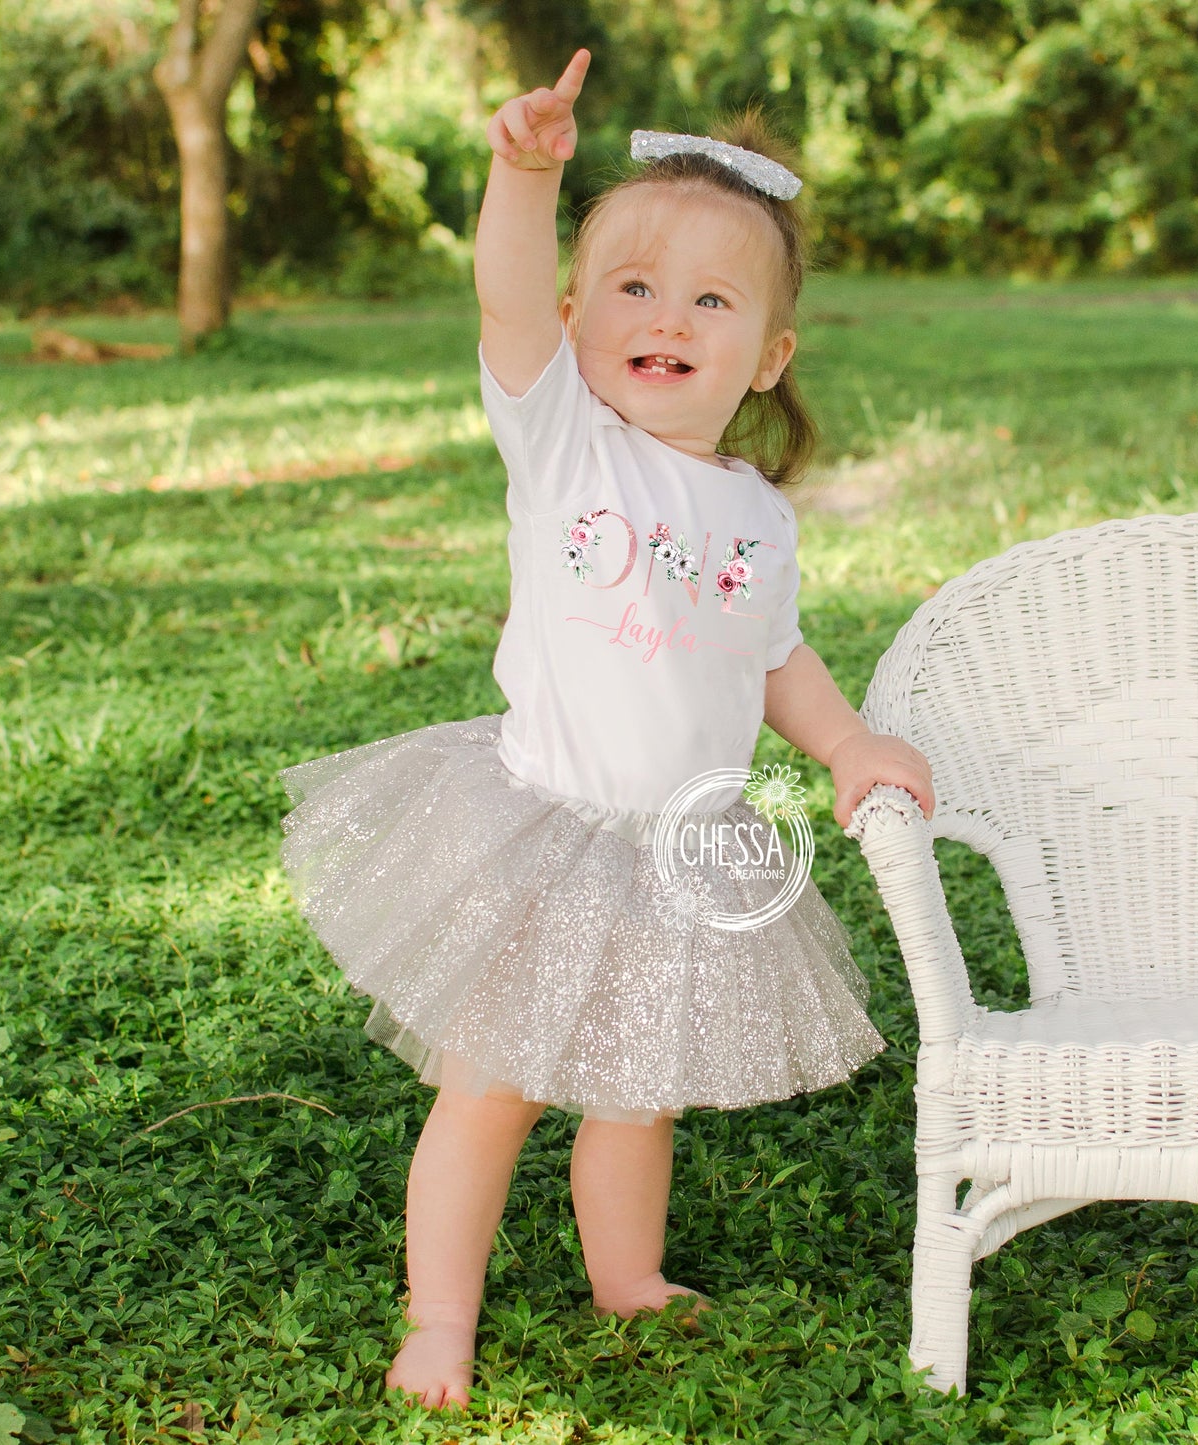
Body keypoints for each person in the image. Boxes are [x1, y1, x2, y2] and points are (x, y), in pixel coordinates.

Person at [276, 46, 935, 1413]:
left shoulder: (757, 511)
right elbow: (502, 297)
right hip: (541, 831)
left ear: (769, 354)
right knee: (493, 1090)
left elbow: (772, 657)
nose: (668, 316)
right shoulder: (564, 437)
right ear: (576, 316)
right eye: (632, 287)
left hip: (680, 853)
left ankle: (624, 1274)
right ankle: (440, 1316)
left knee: (639, 1096)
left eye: (711, 298)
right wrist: (525, 178)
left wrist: (845, 743)